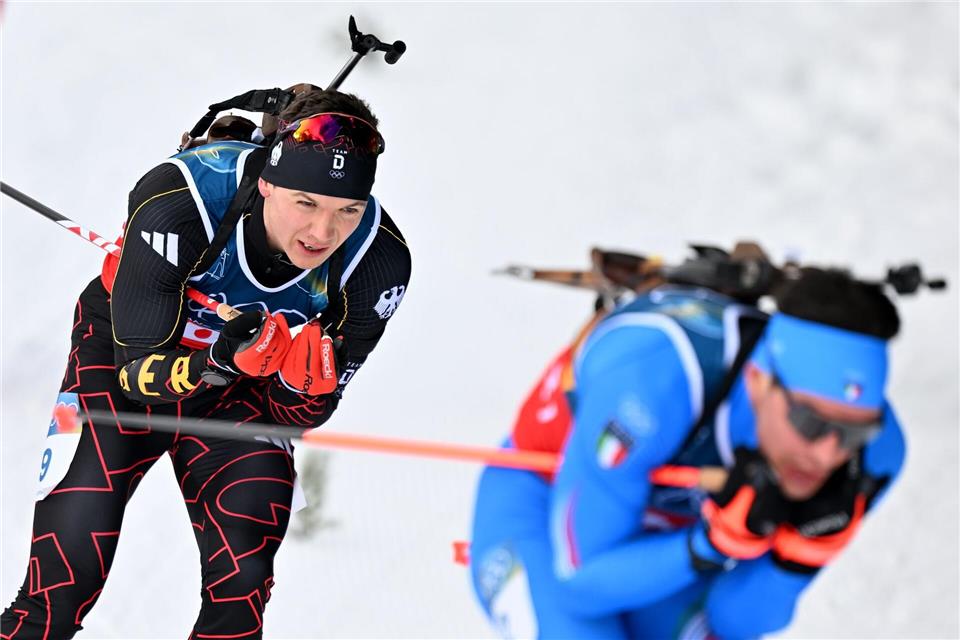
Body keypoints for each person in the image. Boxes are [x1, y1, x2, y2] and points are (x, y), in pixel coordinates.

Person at [2, 88, 411, 639]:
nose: (322, 233)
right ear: (266, 180)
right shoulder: (182, 198)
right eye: (305, 203)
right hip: (125, 366)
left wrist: (298, 393)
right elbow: (134, 374)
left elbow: (307, 413)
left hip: (241, 394)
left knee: (242, 583)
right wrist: (218, 360)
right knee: (65, 574)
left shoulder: (376, 261)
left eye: (348, 210)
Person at [469, 267, 904, 639]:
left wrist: (799, 558)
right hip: (545, 513)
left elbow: (734, 624)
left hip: (670, 549)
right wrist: (712, 544)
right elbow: (579, 585)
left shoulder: (877, 454)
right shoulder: (651, 387)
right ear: (759, 380)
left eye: (852, 433)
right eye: (811, 423)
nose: (828, 454)